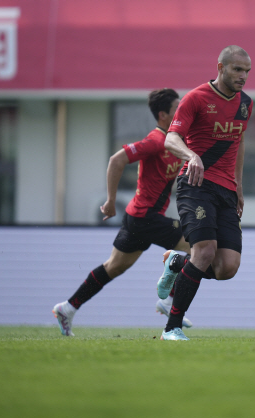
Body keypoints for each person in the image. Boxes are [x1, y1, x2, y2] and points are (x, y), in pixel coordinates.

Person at [52, 89, 192, 337]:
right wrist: (110, 201)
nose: (181, 112)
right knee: (196, 245)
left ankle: (68, 307)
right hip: (146, 217)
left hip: (139, 218)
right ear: (163, 115)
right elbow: (116, 160)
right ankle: (169, 302)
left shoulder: (173, 140)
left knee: (114, 267)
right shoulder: (155, 141)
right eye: (176, 108)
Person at [158, 45, 253, 341]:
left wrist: (238, 185)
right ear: (221, 67)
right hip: (195, 184)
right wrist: (191, 156)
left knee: (227, 267)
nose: (243, 77)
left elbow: (238, 144)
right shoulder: (196, 98)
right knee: (205, 251)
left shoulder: (246, 103)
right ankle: (171, 328)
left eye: (247, 71)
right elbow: (170, 139)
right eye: (238, 70)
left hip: (226, 190)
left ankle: (178, 262)